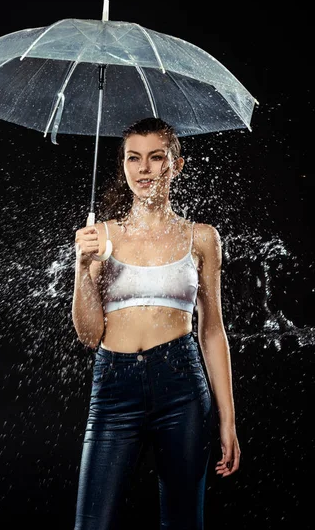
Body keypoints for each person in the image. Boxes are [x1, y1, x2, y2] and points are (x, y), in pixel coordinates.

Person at [72, 117, 240, 529]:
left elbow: (212, 329)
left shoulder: (201, 237)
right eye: (133, 158)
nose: (143, 168)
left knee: (184, 523)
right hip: (114, 387)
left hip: (181, 385)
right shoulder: (101, 236)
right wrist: (81, 267)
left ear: (175, 165)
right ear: (124, 165)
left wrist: (227, 419)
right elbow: (90, 335)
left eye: (155, 157)